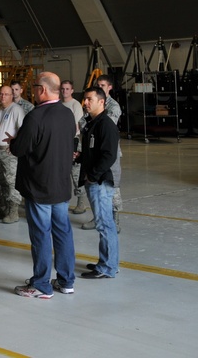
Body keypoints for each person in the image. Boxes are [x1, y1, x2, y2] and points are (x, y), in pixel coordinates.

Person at [10, 72, 77, 299]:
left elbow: (20, 149)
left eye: (35, 86)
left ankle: (41, 285)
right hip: (60, 184)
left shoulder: (35, 117)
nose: (33, 90)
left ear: (43, 90)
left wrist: (14, 141)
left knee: (41, 235)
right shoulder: (67, 114)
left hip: (39, 186)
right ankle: (66, 281)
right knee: (63, 233)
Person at [78, 86, 119, 280]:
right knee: (103, 224)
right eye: (84, 99)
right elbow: (93, 152)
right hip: (94, 180)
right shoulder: (91, 123)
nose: (85, 103)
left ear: (101, 102)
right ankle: (107, 261)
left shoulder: (106, 124)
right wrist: (79, 157)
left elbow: (109, 155)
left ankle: (108, 267)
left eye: (89, 99)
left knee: (105, 225)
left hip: (100, 183)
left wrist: (93, 175)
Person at [82, 74, 124, 232]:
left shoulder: (112, 106)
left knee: (112, 188)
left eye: (103, 85)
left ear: (110, 87)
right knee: (95, 193)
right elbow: (83, 122)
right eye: (98, 85)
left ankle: (114, 219)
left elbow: (105, 126)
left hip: (109, 152)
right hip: (94, 151)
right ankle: (98, 216)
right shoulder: (92, 104)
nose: (100, 87)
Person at [0, 86, 25, 224]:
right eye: (0, 94)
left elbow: (23, 131)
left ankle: (14, 211)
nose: (2, 97)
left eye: (6, 94)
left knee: (11, 181)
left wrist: (15, 145)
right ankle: (7, 207)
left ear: (12, 95)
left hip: (8, 151)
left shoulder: (16, 110)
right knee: (2, 181)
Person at [60, 80, 88, 215]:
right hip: (60, 142)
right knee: (61, 173)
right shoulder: (59, 104)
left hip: (73, 141)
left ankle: (81, 201)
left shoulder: (75, 105)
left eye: (67, 89)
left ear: (71, 90)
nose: (64, 91)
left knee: (75, 173)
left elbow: (78, 125)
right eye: (62, 89)